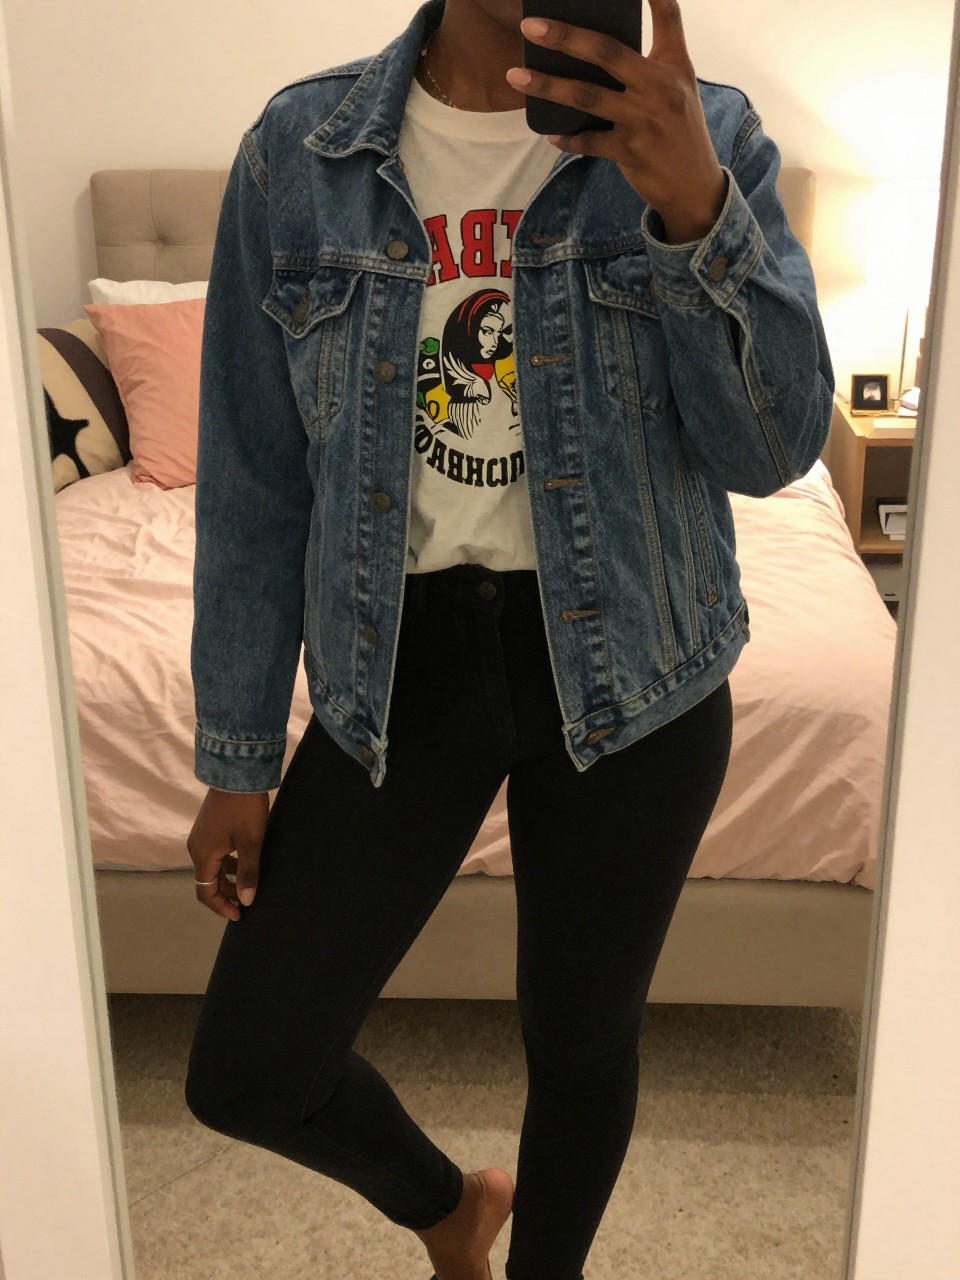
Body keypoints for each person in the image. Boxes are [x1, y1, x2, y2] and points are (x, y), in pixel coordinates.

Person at [183, 0, 835, 1276]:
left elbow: (775, 451)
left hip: (640, 660)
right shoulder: (297, 155)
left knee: (582, 1039)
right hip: (398, 663)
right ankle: (448, 1209)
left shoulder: (712, 137)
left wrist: (696, 209)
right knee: (250, 1066)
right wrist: (239, 749)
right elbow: (255, 482)